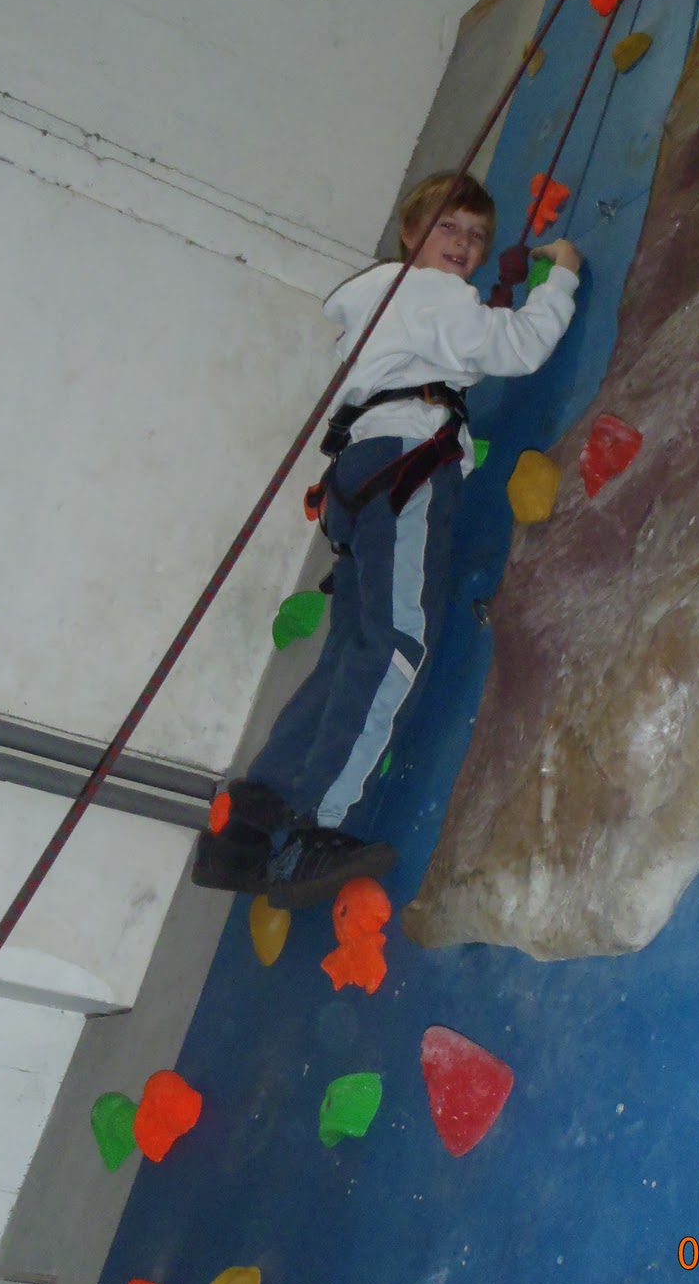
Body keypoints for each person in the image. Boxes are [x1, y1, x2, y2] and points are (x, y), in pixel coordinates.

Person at [192, 171, 582, 908]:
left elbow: (460, 347)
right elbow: (519, 347)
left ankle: (250, 823)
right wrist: (562, 275)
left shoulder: (385, 303)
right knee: (399, 641)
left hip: (361, 473)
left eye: (475, 235)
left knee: (350, 652)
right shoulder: (428, 292)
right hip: (407, 465)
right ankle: (310, 827)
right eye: (447, 227)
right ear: (411, 235)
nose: (463, 244)